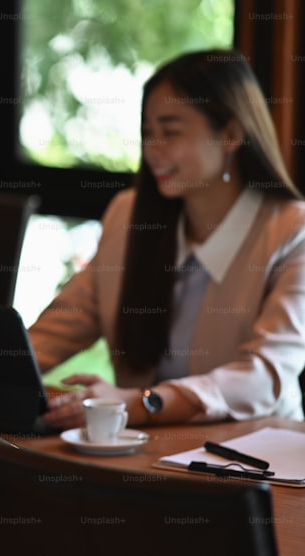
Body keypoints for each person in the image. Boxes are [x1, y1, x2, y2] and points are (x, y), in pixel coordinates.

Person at [29, 49, 305, 430]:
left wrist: (140, 404)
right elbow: (61, 326)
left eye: (170, 132)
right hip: (141, 458)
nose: (152, 151)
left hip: (257, 462)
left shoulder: (293, 230)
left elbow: (263, 376)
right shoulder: (129, 215)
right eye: (148, 133)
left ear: (230, 135)